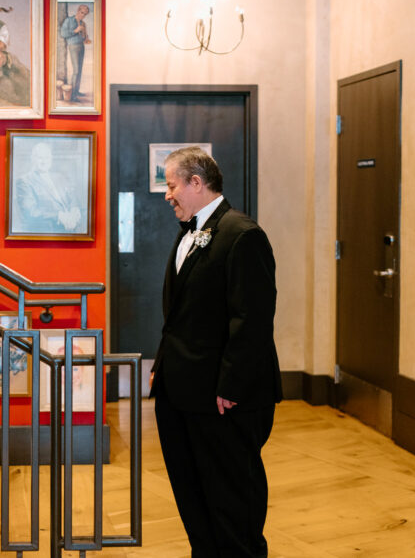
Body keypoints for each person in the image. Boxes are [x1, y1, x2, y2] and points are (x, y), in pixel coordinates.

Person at [150, 146, 282, 557]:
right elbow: (182, 313)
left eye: (171, 185)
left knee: (231, 500)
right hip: (182, 391)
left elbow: (252, 320)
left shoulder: (243, 235)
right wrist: (163, 365)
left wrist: (231, 386)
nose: (167, 195)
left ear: (196, 182)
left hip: (223, 399)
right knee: (193, 494)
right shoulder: (191, 230)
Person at [11, 141, 83, 234]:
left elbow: (72, 196)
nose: (44, 161)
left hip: (71, 226)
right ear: (32, 159)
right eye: (40, 158)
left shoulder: (59, 177)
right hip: (49, 230)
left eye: (47, 157)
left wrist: (74, 209)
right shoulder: (24, 181)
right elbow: (31, 212)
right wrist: (59, 216)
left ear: (51, 159)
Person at [58, 4, 91, 102]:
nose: (83, 15)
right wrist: (76, 30)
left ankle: (76, 91)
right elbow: (63, 34)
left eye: (85, 14)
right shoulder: (69, 20)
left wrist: (86, 37)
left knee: (80, 70)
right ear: (78, 11)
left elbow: (84, 36)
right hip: (73, 46)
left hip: (81, 46)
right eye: (82, 13)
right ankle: (72, 95)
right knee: (76, 70)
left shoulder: (82, 23)